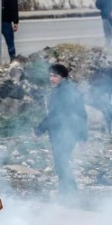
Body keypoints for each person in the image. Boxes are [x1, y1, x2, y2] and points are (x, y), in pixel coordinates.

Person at [34, 64, 87, 197]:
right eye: (50, 75)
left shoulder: (64, 92)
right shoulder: (66, 89)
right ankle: (66, 192)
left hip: (63, 134)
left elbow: (55, 115)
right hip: (66, 133)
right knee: (61, 163)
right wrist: (82, 137)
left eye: (55, 76)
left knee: (61, 164)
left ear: (63, 77)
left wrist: (39, 130)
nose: (52, 79)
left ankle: (70, 193)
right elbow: (82, 114)